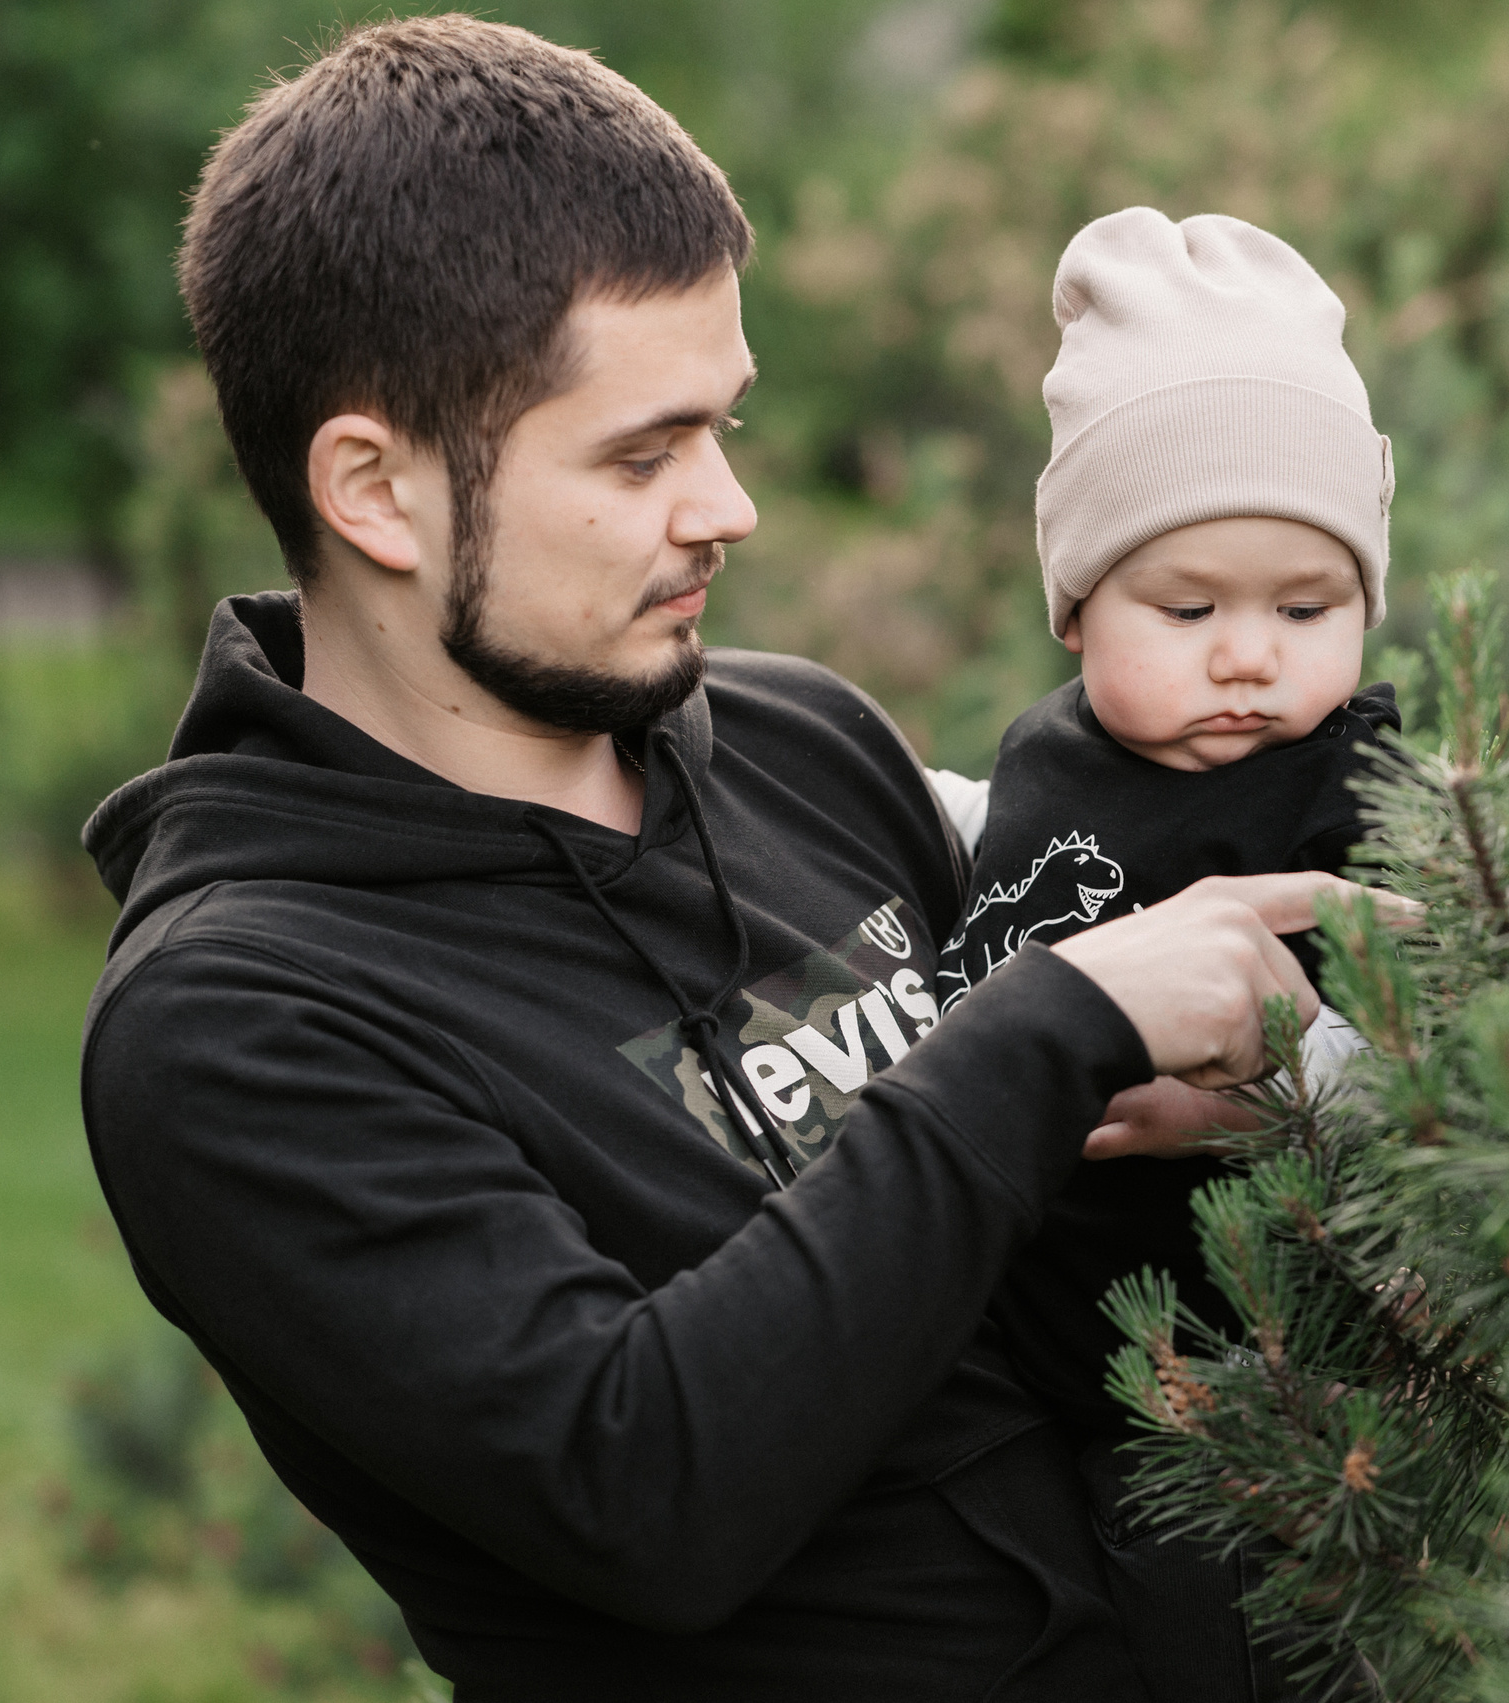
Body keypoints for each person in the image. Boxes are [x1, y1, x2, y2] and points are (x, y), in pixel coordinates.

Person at [77, 18, 1396, 1700]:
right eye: (642, 454)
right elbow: (651, 1494)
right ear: (377, 492)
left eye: (723, 427)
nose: (728, 508)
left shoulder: (797, 748)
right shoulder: (243, 1026)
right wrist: (1048, 1032)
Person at [930, 208, 1397, 1518]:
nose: (1249, 654)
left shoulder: (1362, 791)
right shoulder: (1044, 759)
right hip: (1033, 1353)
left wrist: (1293, 1087)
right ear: (1077, 609)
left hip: (1272, 1384)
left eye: (1308, 610)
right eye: (1188, 611)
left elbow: (1465, 1088)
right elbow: (997, 878)